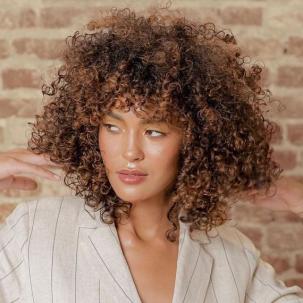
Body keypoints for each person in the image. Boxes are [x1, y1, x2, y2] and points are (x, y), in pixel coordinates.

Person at [0, 6, 303, 303]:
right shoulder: (38, 227)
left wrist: (299, 201)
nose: (130, 151)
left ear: (196, 140)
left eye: (154, 132)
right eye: (112, 126)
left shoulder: (230, 253)